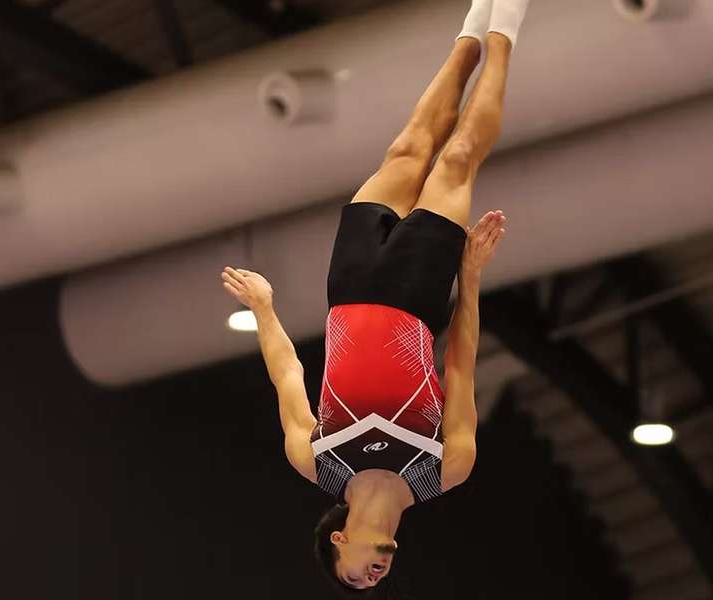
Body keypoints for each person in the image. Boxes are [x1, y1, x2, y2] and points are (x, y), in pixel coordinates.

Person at [221, 0, 529, 591]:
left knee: (408, 150)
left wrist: (264, 308)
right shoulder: (444, 471)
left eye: (357, 577)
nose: (373, 578)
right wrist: (472, 273)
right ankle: (506, 24)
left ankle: (470, 28)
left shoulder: (316, 462)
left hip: (349, 287)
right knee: (459, 157)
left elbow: (287, 376)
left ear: (340, 540)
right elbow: (461, 364)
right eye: (375, 583)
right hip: (415, 296)